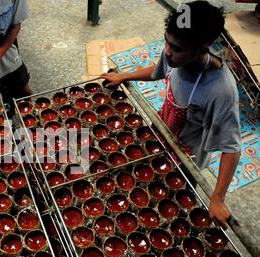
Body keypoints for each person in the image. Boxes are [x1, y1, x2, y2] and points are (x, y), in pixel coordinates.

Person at [101, 1, 242, 227]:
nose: (167, 51)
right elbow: (158, 71)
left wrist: (217, 197)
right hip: (162, 133)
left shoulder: (221, 91)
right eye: (167, 41)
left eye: (176, 48)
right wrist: (125, 77)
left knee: (174, 201)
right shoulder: (175, 56)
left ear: (202, 49)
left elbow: (231, 148)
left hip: (185, 156)